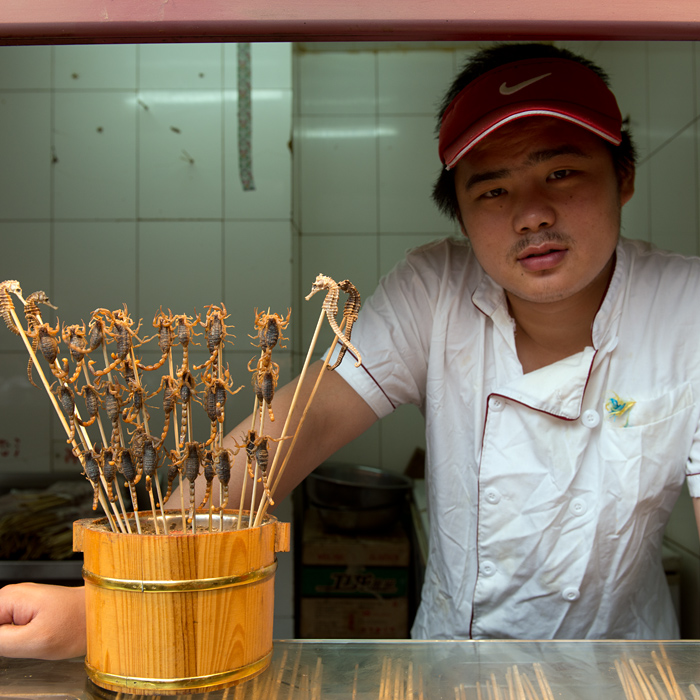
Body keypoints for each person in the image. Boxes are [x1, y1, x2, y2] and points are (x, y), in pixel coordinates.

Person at [2, 41, 700, 658]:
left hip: (626, 670)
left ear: (624, 175)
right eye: (492, 188)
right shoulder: (435, 290)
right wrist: (120, 597)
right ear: (459, 211)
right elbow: (291, 429)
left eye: (562, 173)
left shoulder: (687, 312)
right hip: (451, 672)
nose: (532, 212)